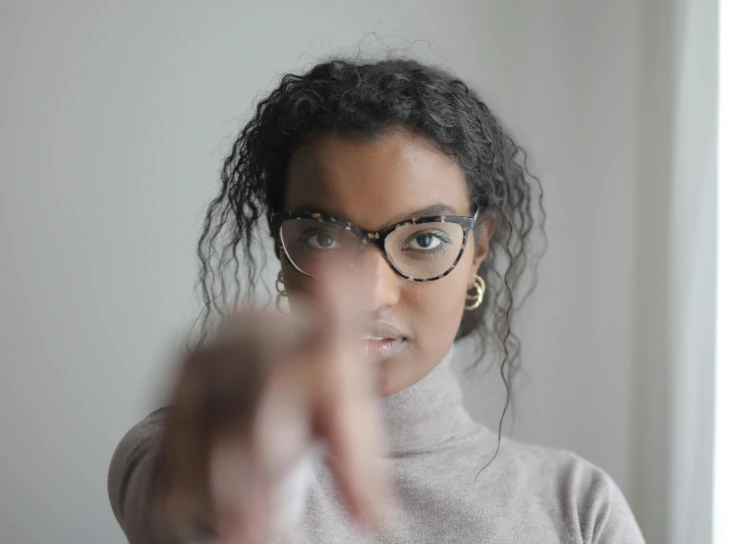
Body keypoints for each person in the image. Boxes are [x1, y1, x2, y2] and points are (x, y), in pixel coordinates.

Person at [107, 56, 645, 544]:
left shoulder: (577, 506)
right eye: (323, 237)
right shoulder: (178, 451)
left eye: (425, 239)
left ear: (479, 248)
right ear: (280, 248)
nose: (370, 294)